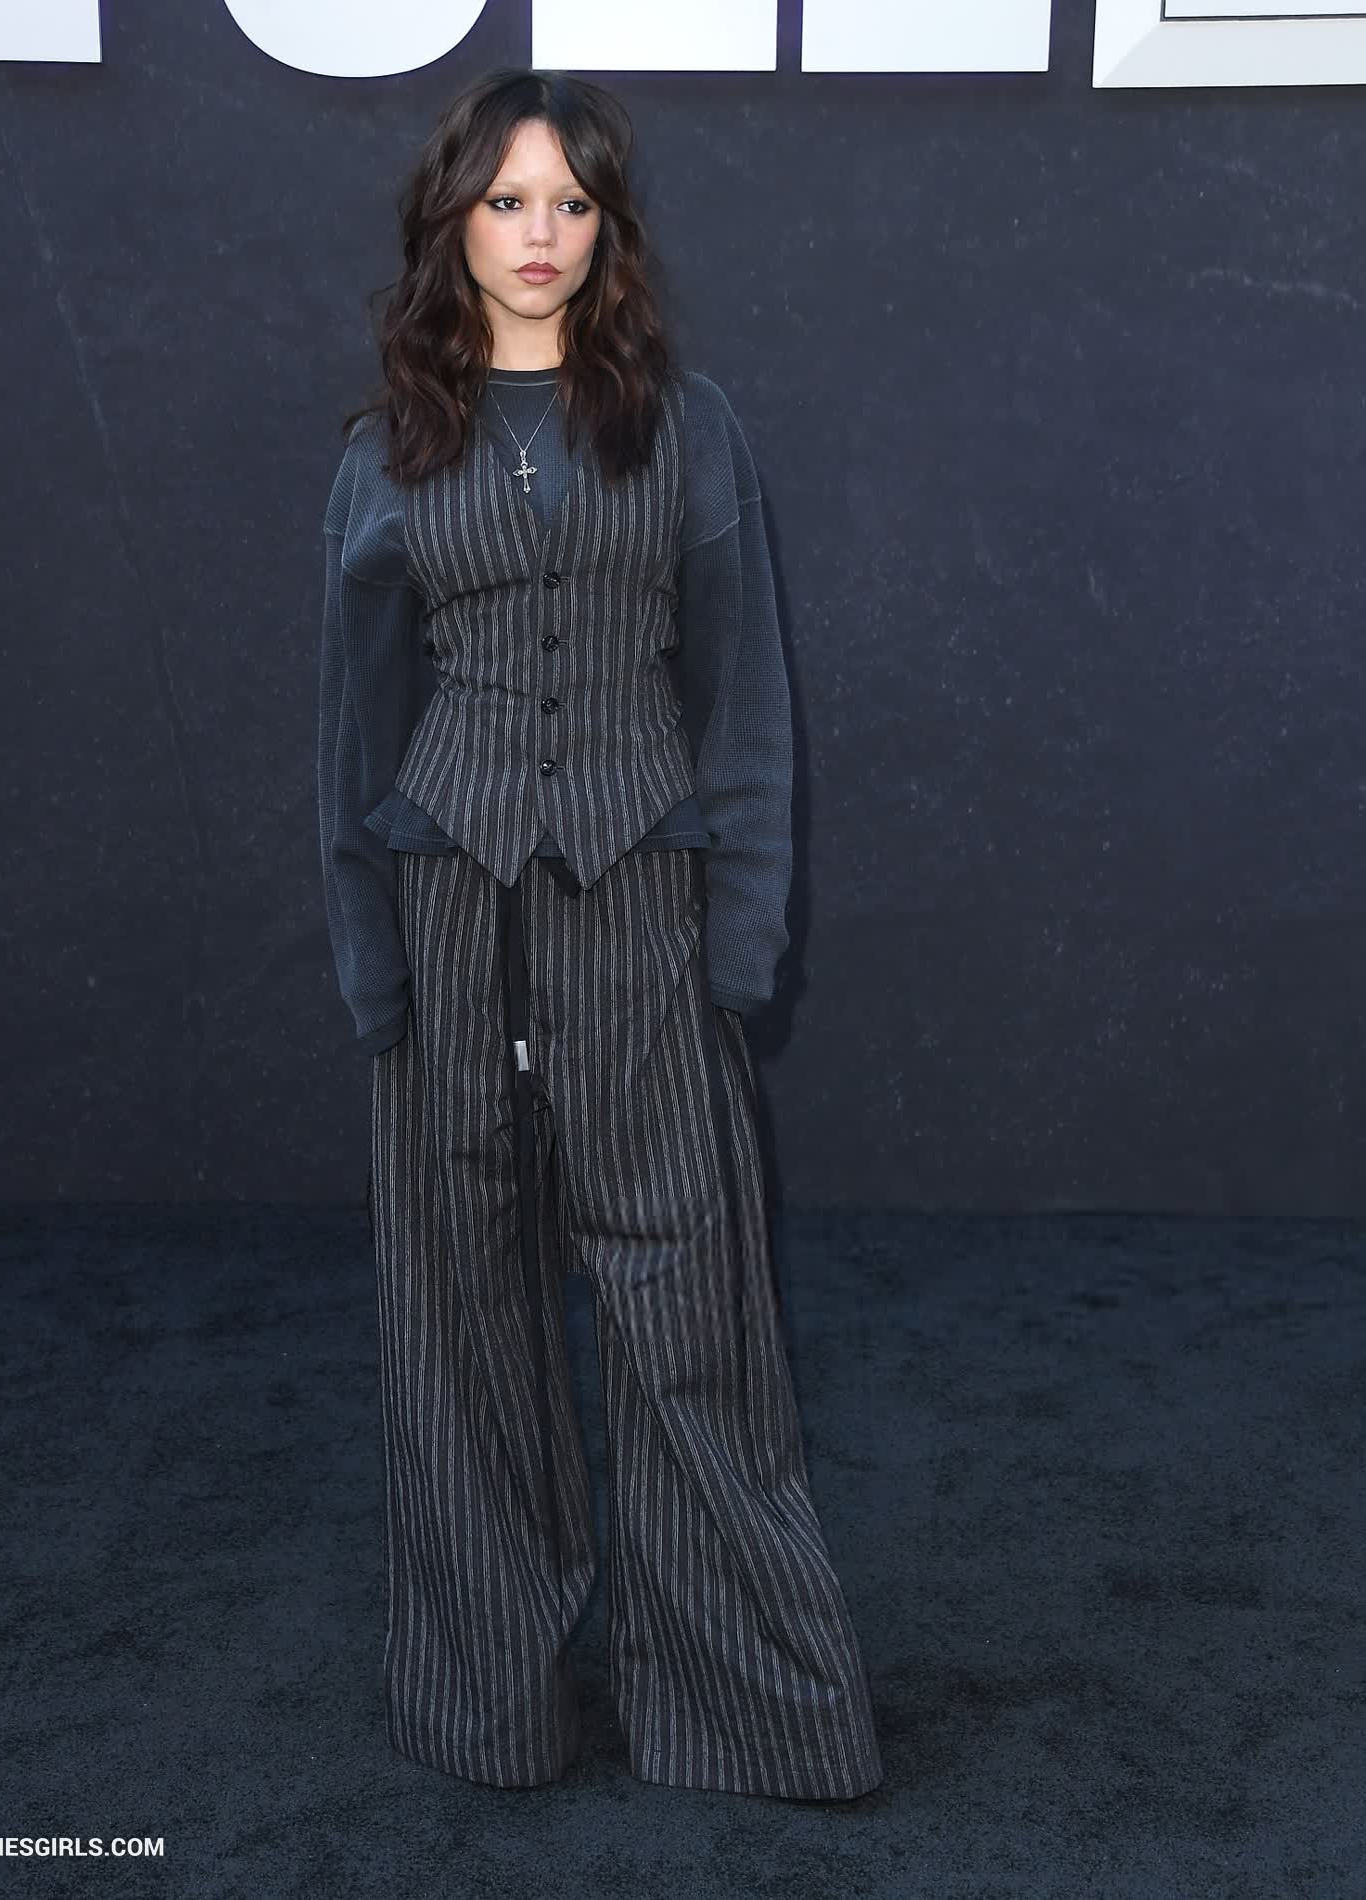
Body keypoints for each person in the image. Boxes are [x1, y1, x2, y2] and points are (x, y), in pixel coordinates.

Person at [316, 66, 883, 1804]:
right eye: (506, 201)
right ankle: (490, 1708)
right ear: (454, 222)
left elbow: (743, 701)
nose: (539, 233)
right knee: (460, 1329)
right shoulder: (383, 451)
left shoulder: (688, 427)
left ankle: (748, 1716)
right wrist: (373, 968)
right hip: (447, 910)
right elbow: (353, 731)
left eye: (570, 202)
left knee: (688, 1315)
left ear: (609, 229)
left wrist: (739, 947)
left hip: (642, 908)